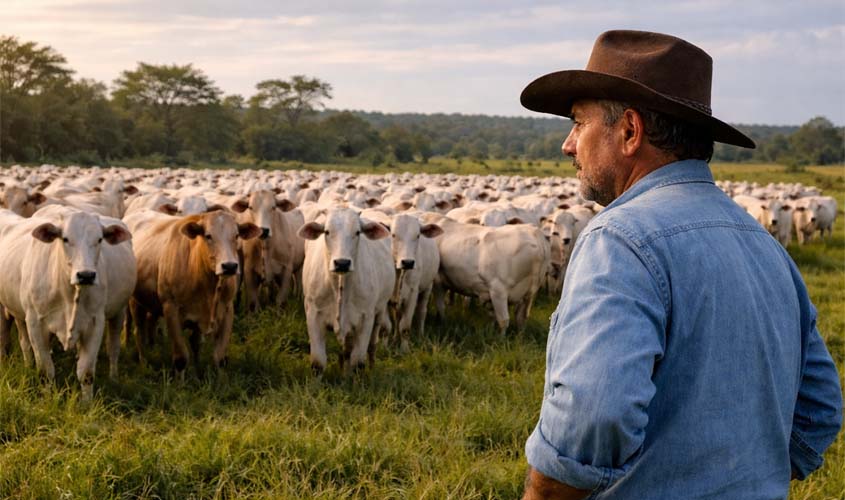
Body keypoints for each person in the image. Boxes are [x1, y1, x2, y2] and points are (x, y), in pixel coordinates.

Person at [518, 30, 842, 499]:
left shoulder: (619, 240)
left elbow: (593, 416)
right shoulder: (765, 244)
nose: (569, 144)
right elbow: (820, 410)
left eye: (578, 123)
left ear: (629, 131)